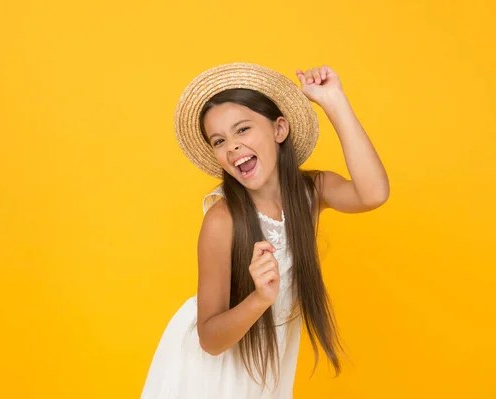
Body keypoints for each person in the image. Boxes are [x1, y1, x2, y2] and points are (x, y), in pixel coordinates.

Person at [140, 62, 389, 398]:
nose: (232, 147)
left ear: (279, 129)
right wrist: (259, 298)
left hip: (265, 366)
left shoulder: (310, 192)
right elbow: (211, 340)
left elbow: (373, 193)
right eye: (219, 140)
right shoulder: (222, 219)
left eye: (243, 130)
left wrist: (334, 102)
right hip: (211, 374)